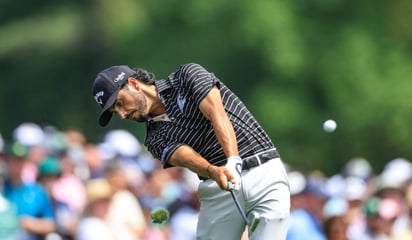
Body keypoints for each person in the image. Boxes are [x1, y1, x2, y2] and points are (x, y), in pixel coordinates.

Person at [91, 63, 290, 239]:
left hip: (264, 170)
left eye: (119, 103)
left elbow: (216, 113)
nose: (123, 114)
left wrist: (232, 159)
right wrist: (214, 170)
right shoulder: (153, 139)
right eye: (115, 112)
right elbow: (186, 157)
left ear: (134, 84)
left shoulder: (187, 76)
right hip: (218, 188)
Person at [1, 142, 56, 240]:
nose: (17, 165)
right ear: (7, 161)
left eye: (21, 161)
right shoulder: (2, 188)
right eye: (14, 160)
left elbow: (50, 224)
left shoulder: (36, 192)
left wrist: (30, 224)